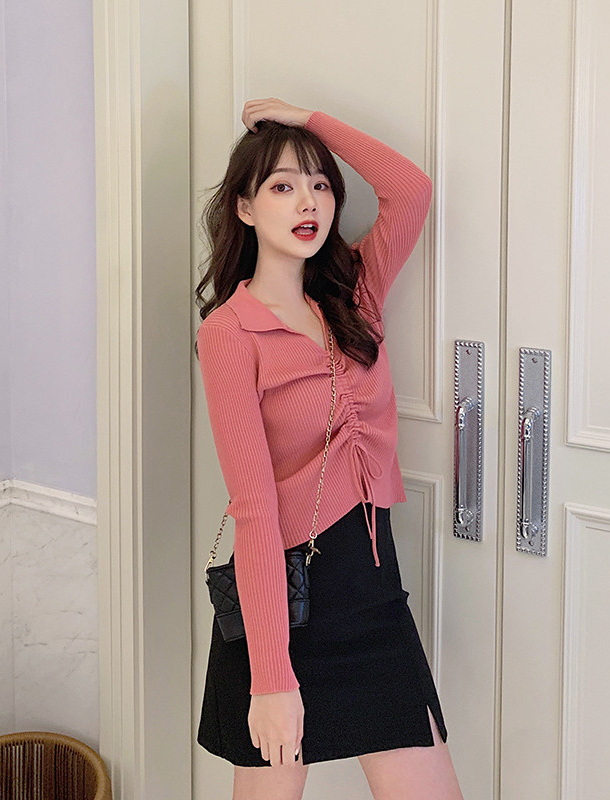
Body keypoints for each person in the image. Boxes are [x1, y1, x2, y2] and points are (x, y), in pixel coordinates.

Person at [195, 98, 464, 800]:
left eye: (319, 184)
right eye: (282, 186)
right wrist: (270, 679)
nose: (307, 201)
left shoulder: (354, 294)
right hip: (285, 600)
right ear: (246, 208)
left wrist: (311, 120)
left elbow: (411, 190)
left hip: (371, 588)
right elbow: (255, 510)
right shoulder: (229, 334)